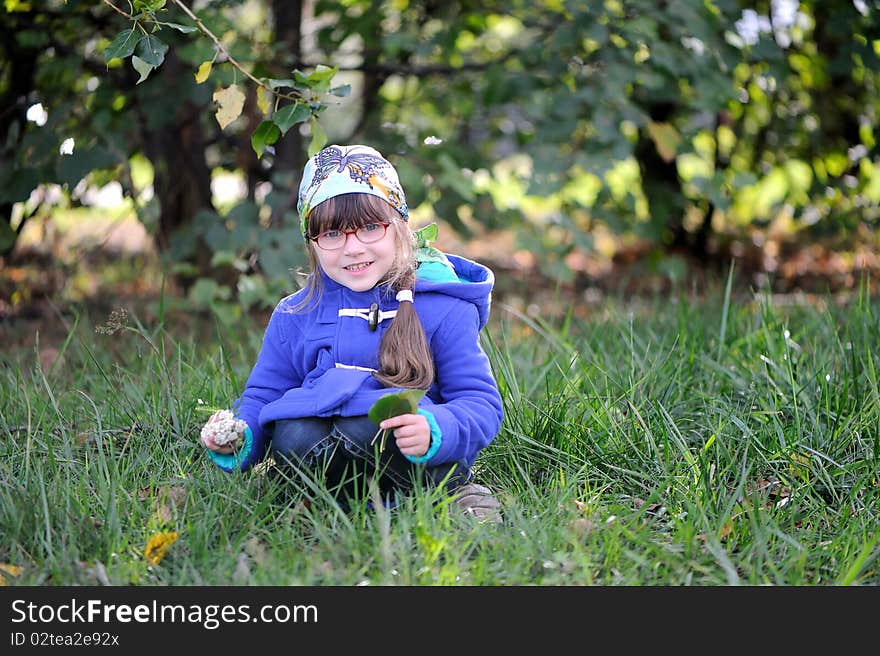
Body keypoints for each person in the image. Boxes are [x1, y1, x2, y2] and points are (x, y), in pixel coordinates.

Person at [200, 144, 504, 522]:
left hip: (411, 463)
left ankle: (450, 493)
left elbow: (480, 402)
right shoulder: (295, 314)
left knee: (372, 424)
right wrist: (239, 436)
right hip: (325, 467)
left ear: (400, 227)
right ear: (311, 243)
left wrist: (435, 429)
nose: (352, 248)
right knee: (292, 433)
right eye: (332, 234)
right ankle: (319, 505)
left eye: (370, 228)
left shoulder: (442, 308)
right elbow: (264, 394)